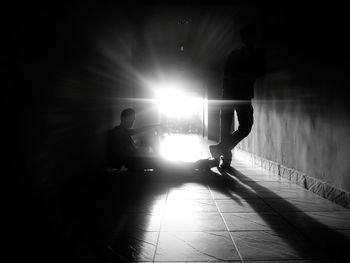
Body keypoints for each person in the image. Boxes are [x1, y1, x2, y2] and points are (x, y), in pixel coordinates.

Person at [209, 25, 265, 168]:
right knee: (228, 128)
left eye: (250, 37)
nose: (248, 40)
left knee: (245, 126)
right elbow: (227, 75)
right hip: (231, 95)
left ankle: (220, 150)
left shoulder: (255, 56)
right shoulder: (236, 55)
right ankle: (225, 158)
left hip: (239, 96)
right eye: (246, 37)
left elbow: (259, 72)